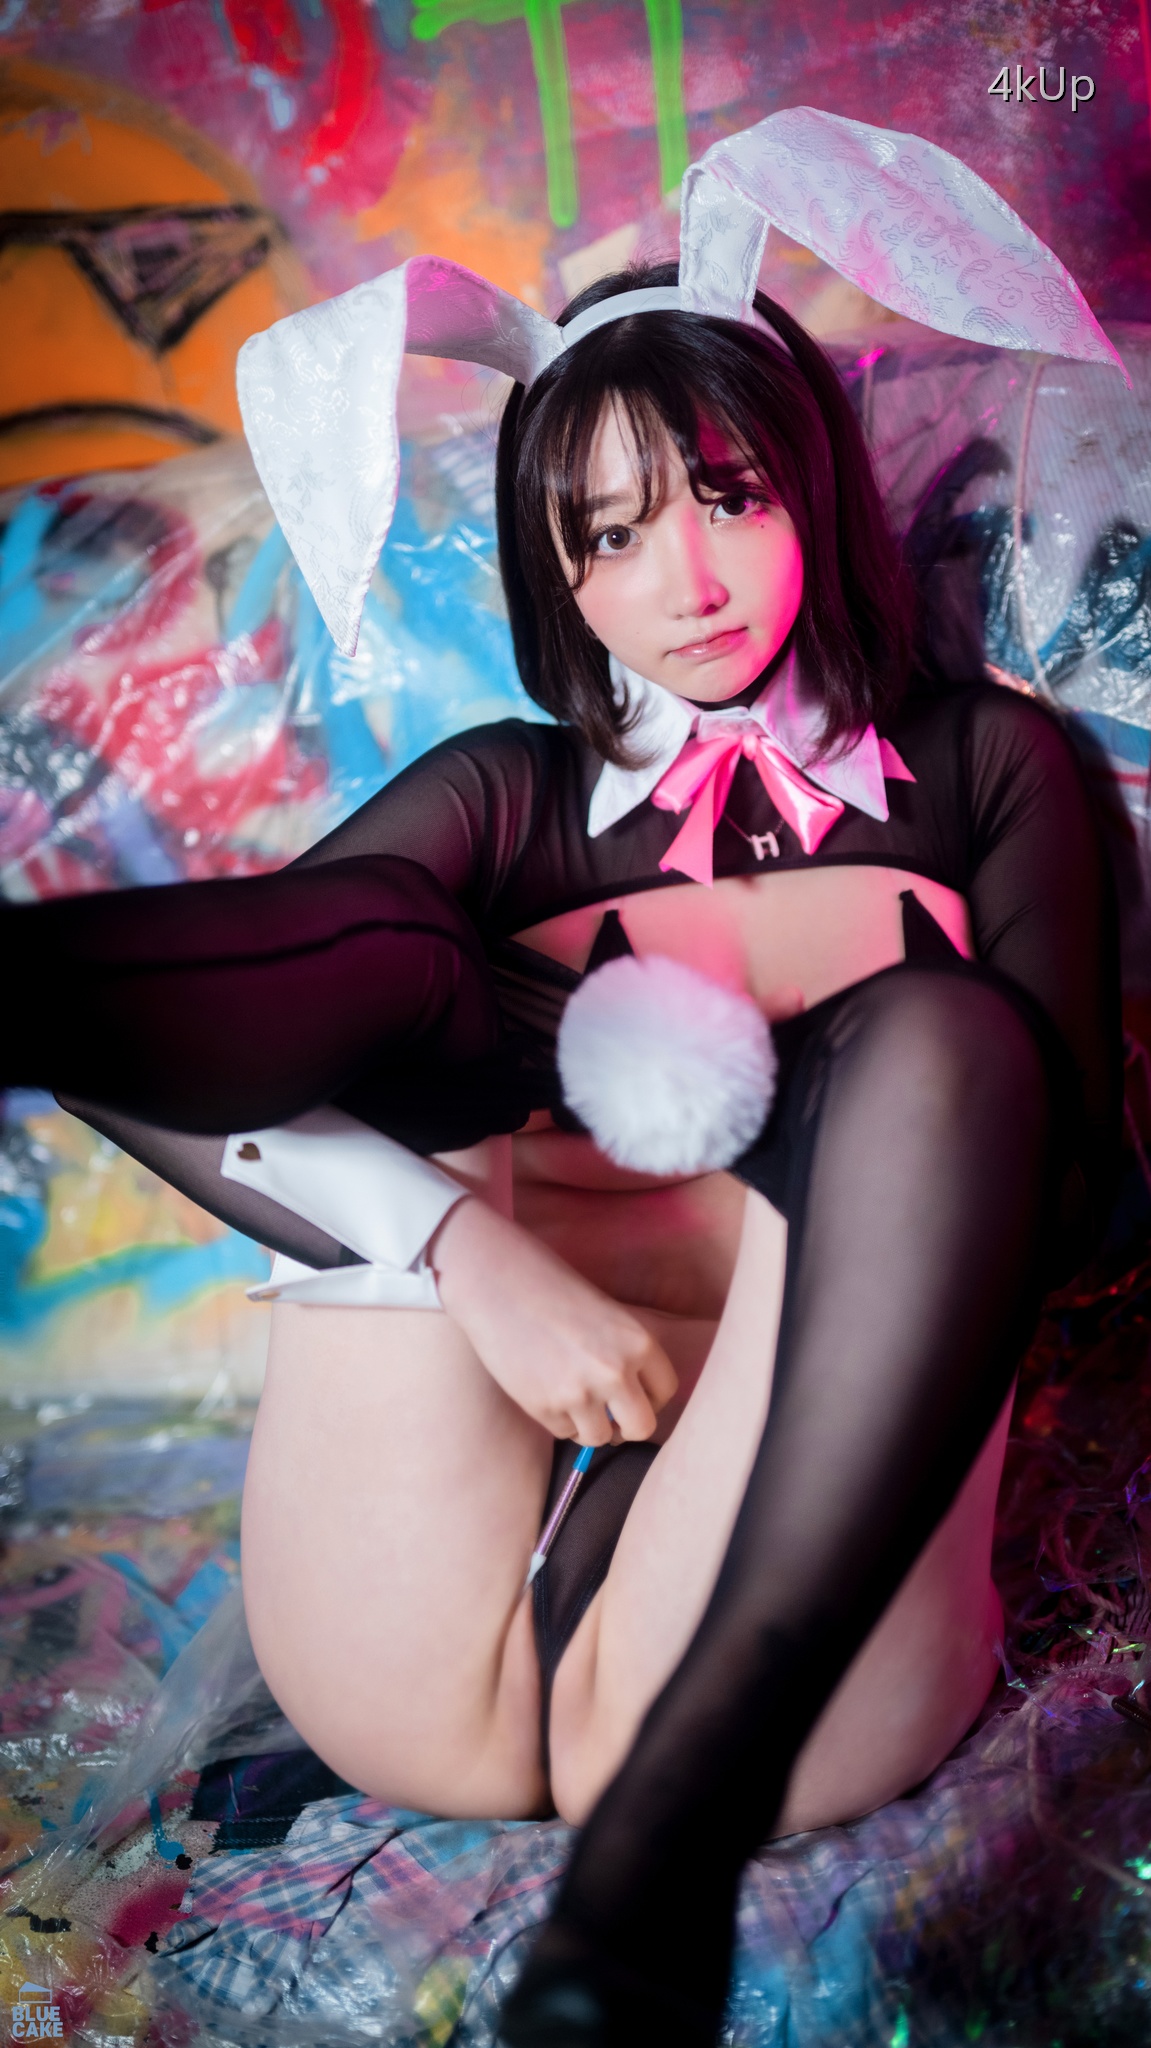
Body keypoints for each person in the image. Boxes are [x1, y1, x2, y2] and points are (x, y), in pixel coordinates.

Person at [0, 111, 1125, 2048]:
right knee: (390, 956)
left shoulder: (982, 763)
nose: (680, 578)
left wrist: (801, 1119)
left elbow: (1086, 1195)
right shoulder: (509, 796)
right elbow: (154, 1059)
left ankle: (645, 1887)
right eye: (607, 534)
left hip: (776, 1628)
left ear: (811, 487)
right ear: (561, 577)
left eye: (725, 495)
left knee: (945, 1037)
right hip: (413, 1617)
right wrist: (468, 1247)